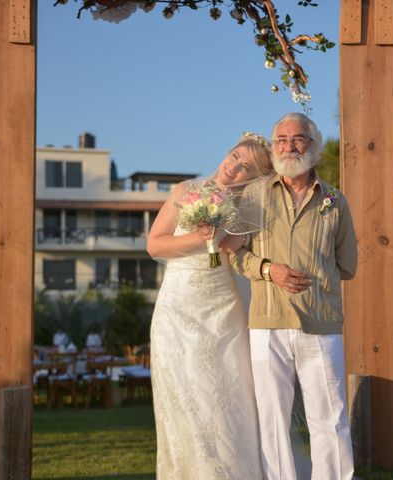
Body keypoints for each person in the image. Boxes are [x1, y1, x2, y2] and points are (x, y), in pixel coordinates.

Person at [231, 113, 358, 479]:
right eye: (282, 139)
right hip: (267, 323)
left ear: (313, 145)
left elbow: (348, 265)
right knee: (272, 420)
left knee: (330, 418)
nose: (290, 145)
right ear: (273, 147)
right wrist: (271, 270)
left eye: (298, 138)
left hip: (322, 324)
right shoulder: (252, 196)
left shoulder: (335, 200)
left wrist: (316, 274)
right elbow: (235, 253)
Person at [147, 133, 273, 479]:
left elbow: (248, 252)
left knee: (224, 395)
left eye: (244, 166)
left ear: (255, 177)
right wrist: (200, 237)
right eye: (233, 156)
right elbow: (155, 245)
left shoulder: (254, 208)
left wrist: (229, 238)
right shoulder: (185, 191)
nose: (231, 167)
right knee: (181, 396)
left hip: (222, 311)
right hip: (177, 308)